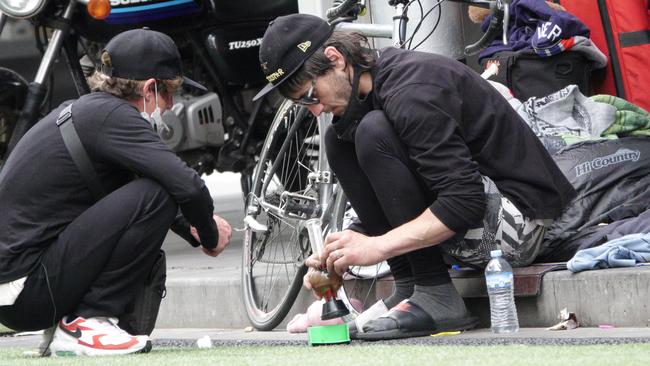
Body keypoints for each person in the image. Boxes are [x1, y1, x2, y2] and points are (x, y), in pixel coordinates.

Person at [252, 14, 576, 340]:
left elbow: (464, 202)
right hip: (472, 212)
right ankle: (410, 287)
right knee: (339, 140)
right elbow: (407, 191)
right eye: (302, 105)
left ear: (335, 59)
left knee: (370, 131)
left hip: (522, 225)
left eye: (310, 95)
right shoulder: (373, 91)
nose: (315, 110)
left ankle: (436, 293)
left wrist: (377, 247)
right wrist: (343, 251)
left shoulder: (411, 90)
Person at [0, 28, 232, 356]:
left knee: (155, 191)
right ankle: (88, 320)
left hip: (16, 294)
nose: (169, 107)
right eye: (170, 94)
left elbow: (129, 189)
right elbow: (187, 186)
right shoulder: (116, 118)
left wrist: (191, 228)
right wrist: (209, 235)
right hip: (29, 290)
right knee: (158, 193)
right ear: (151, 88)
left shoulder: (87, 111)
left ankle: (74, 324)